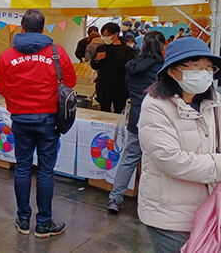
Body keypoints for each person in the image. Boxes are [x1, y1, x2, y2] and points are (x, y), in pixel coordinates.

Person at [0, 9, 76, 238]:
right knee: (45, 170)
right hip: (48, 120)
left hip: (20, 119)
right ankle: (43, 223)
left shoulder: (7, 56)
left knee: (22, 167)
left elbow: (0, 87)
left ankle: (23, 220)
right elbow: (70, 81)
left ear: (21, 27)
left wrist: (18, 97)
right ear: (43, 28)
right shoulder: (56, 52)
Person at [138, 37, 221, 253]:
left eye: (208, 67)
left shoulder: (214, 100)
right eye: (195, 66)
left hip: (209, 208)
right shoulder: (155, 105)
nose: (204, 73)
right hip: (169, 216)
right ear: (173, 71)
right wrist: (218, 165)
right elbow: (171, 159)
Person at [106, 31, 165, 214]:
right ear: (162, 46)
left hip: (136, 118)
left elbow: (127, 89)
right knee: (156, 164)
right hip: (157, 121)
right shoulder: (163, 69)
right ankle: (151, 203)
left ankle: (115, 198)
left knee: (129, 158)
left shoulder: (132, 66)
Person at [90, 22, 135, 113]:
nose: (105, 37)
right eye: (103, 35)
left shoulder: (127, 49)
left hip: (119, 88)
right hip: (104, 87)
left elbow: (123, 64)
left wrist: (117, 47)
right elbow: (94, 65)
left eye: (107, 35)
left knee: (119, 113)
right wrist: (97, 59)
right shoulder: (101, 48)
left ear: (116, 34)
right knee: (104, 113)